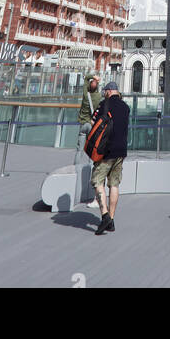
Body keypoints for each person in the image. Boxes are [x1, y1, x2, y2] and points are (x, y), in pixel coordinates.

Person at [90, 82, 129, 236]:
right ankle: (111, 220)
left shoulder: (103, 105)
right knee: (114, 184)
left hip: (105, 151)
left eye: (105, 91)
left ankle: (105, 215)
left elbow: (94, 123)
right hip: (121, 150)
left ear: (109, 91)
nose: (104, 93)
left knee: (97, 181)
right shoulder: (126, 107)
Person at [76, 71, 102, 183]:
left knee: (79, 150)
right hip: (91, 124)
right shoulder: (98, 96)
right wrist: (98, 81)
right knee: (91, 149)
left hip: (82, 124)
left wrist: (93, 77)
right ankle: (91, 168)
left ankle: (75, 169)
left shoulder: (86, 94)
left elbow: (86, 78)